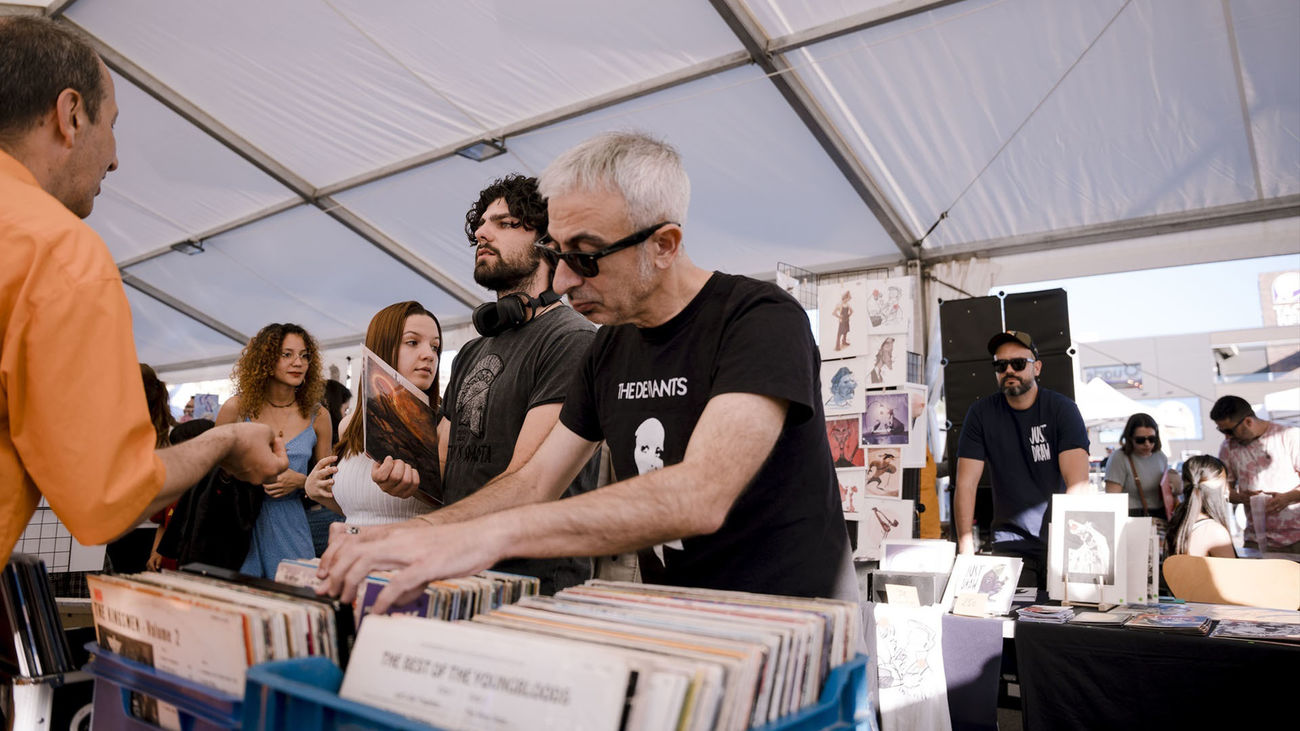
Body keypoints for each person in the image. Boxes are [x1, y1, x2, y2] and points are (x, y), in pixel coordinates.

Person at [319, 132, 854, 612]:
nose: (566, 279)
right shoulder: (609, 349)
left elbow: (700, 493)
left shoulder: (758, 319)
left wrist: (491, 535)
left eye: (587, 255)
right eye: (556, 252)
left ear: (663, 245)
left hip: (797, 623)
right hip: (684, 617)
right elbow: (534, 480)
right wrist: (421, 532)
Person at [0, 16, 284, 567]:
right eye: (112, 124)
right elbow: (105, 499)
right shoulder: (55, 250)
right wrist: (224, 443)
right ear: (70, 115)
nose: (114, 157)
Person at [328, 175, 601, 594]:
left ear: (549, 242)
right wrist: (406, 479)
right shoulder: (474, 350)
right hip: (459, 569)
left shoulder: (571, 339)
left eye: (505, 223)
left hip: (532, 583)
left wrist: (417, 532)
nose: (481, 233)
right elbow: (441, 466)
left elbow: (527, 482)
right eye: (481, 225)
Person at [953, 330, 1090, 587]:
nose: (1009, 371)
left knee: (1063, 623)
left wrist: (1069, 548)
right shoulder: (981, 414)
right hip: (1009, 543)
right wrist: (965, 547)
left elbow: (1078, 485)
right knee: (1011, 624)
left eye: (1018, 363)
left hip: (1061, 543)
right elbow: (965, 484)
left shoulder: (1062, 410)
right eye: (1000, 365)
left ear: (1036, 367)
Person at [305, 302, 442, 526]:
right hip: (350, 554)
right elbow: (359, 511)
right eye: (412, 342)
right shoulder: (349, 425)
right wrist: (316, 492)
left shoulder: (445, 425)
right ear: (382, 346)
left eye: (435, 347)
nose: (429, 355)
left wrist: (420, 492)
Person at [216, 323, 329, 577]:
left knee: (295, 601)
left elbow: (328, 484)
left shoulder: (318, 415)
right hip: (240, 525)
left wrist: (302, 481)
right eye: (286, 354)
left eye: (304, 355)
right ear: (265, 360)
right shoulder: (236, 409)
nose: (297, 363)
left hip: (291, 525)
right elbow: (211, 474)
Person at [1211, 395, 1300, 552]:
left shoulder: (1288, 436)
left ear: (1248, 421)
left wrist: (1288, 498)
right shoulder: (1228, 448)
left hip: (1296, 538)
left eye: (1229, 430)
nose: (1226, 436)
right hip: (1256, 539)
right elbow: (1223, 491)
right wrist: (1241, 497)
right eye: (1221, 430)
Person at [1165, 455, 1235, 557]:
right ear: (1223, 489)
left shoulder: (1179, 520)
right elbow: (1230, 572)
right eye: (1226, 483)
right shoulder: (1214, 532)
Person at [1104, 413, 1169, 519]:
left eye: (1152, 439)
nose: (1147, 444)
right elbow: (1112, 499)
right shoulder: (1119, 458)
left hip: (1160, 516)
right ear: (1130, 438)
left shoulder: (1160, 456)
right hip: (1133, 516)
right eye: (1140, 440)